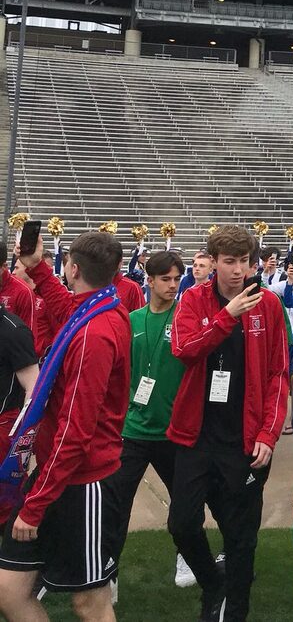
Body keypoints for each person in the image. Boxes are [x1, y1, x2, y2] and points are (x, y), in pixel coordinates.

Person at [0, 231, 131, 622]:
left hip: (82, 482)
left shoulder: (95, 332)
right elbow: (62, 304)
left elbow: (75, 434)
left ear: (73, 269)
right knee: (8, 591)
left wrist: (36, 505)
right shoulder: (95, 307)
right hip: (54, 475)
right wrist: (37, 265)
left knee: (89, 604)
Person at [167, 224, 290, 622]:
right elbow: (184, 349)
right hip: (195, 435)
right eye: (229, 261)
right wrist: (226, 316)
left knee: (241, 539)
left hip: (245, 440)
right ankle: (212, 583)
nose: (238, 270)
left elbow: (279, 374)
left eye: (245, 262)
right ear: (213, 261)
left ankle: (234, 610)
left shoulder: (269, 304)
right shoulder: (192, 300)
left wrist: (269, 434)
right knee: (182, 524)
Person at [110, 249, 196, 584]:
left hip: (174, 430)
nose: (173, 285)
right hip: (133, 429)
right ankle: (108, 572)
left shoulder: (185, 319)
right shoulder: (131, 321)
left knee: (185, 505)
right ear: (149, 280)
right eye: (166, 279)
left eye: (177, 279)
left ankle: (186, 559)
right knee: (116, 504)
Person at [0, 312, 39, 527]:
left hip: (4, 425)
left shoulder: (13, 331)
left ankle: (13, 553)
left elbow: (33, 387)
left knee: (7, 503)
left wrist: (24, 438)